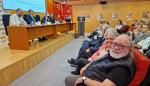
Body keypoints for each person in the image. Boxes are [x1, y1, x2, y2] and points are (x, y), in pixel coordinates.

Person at [65, 34, 135, 86]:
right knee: (68, 79)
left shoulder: (121, 68)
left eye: (121, 45)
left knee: (69, 79)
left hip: (90, 82)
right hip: (90, 75)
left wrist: (84, 79)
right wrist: (87, 66)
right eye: (115, 44)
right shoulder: (114, 54)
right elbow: (98, 60)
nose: (116, 47)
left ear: (129, 49)